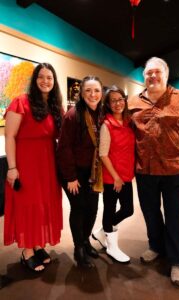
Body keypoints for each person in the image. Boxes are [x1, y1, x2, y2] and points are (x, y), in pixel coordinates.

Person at [128, 57, 179, 286]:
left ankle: (177, 261)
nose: (153, 76)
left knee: (176, 215)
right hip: (145, 171)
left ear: (166, 75)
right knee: (150, 212)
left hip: (175, 171)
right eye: (148, 73)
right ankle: (156, 246)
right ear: (144, 77)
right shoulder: (133, 102)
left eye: (157, 72)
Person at [4, 63, 63, 272]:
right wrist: (12, 168)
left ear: (54, 82)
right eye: (41, 76)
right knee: (28, 205)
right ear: (35, 79)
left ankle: (38, 245)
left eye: (49, 77)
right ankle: (27, 251)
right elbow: (9, 136)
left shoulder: (55, 107)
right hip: (26, 163)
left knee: (43, 205)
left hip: (48, 165)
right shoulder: (21, 102)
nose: (45, 81)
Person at [57, 75, 103, 268]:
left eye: (97, 91)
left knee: (92, 209)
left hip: (93, 172)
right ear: (81, 93)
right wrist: (71, 177)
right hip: (74, 173)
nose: (93, 94)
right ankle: (79, 249)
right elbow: (64, 148)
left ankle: (85, 241)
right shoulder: (73, 115)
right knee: (79, 208)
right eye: (88, 90)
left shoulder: (102, 114)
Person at [92, 85, 135, 263]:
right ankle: (112, 246)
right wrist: (116, 177)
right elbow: (103, 154)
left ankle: (103, 231)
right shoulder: (107, 125)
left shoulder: (128, 122)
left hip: (126, 174)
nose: (117, 103)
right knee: (109, 209)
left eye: (120, 99)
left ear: (125, 100)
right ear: (108, 105)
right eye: (113, 101)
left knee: (128, 209)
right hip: (113, 177)